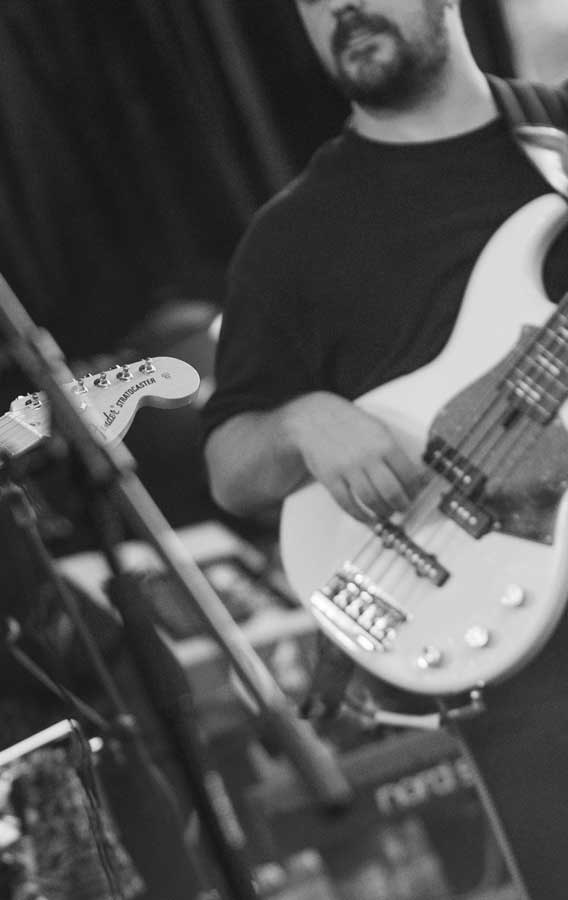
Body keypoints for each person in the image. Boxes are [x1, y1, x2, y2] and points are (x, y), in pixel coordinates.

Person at [202, 0, 568, 892]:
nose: (343, 8)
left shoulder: (555, 134)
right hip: (531, 673)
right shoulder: (293, 240)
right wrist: (300, 421)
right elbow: (229, 468)